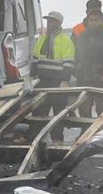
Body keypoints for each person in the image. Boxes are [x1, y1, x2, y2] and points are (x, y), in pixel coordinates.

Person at [31, 11, 75, 142]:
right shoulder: (42, 39)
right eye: (48, 20)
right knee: (38, 112)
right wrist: (32, 76)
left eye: (52, 21)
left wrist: (64, 81)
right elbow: (35, 59)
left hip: (57, 82)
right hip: (42, 81)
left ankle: (57, 139)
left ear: (59, 23)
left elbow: (69, 64)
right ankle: (33, 138)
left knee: (58, 113)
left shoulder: (65, 41)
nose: (49, 23)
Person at [73, 11, 103, 117]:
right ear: (88, 21)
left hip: (102, 80)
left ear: (102, 21)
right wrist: (78, 72)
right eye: (91, 20)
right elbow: (78, 55)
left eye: (96, 20)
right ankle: (85, 132)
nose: (94, 23)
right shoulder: (83, 35)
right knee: (83, 109)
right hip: (84, 79)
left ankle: (102, 132)